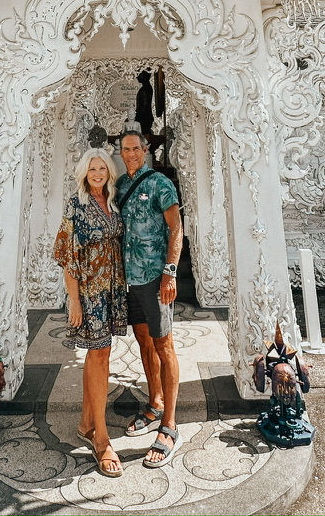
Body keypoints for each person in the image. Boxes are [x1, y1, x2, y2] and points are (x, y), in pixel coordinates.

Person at [53, 148, 127, 478]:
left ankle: (86, 423)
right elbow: (67, 253)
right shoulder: (77, 205)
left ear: (109, 172)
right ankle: (102, 438)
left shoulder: (112, 203)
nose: (97, 173)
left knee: (100, 357)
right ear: (84, 172)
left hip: (113, 289)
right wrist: (74, 300)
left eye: (102, 168)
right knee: (99, 356)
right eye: (92, 168)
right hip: (90, 293)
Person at [118, 129, 184, 467]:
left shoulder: (160, 183)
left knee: (164, 345)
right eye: (125, 149)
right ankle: (155, 401)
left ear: (145, 150)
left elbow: (176, 228)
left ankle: (170, 423)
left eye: (135, 148)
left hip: (155, 278)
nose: (130, 154)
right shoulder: (119, 187)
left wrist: (170, 272)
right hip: (129, 279)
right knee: (143, 341)